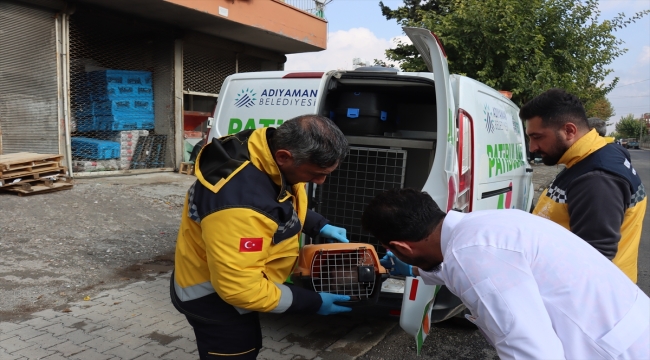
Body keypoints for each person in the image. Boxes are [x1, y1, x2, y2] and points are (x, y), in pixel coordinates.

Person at [363, 188, 649, 360]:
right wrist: (412, 268)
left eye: (395, 252)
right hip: (629, 329)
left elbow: (532, 352)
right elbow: (457, 265)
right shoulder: (485, 224)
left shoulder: (471, 256)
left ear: (401, 246)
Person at [171, 115, 352, 359]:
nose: (321, 181)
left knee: (251, 343)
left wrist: (317, 224)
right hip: (213, 299)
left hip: (226, 281)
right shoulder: (239, 205)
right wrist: (312, 302)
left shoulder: (263, 147)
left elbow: (277, 198)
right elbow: (240, 289)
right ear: (284, 157)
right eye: (316, 173)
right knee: (239, 350)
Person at [519, 88, 646, 282]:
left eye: (537, 137)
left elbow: (591, 265)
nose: (532, 148)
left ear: (569, 131)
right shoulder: (591, 157)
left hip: (592, 301)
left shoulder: (596, 179)